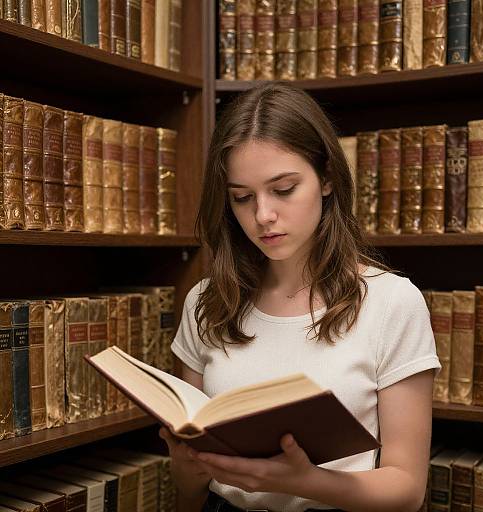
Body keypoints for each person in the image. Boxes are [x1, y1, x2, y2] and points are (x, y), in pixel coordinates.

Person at [159, 82, 441, 512]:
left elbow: (407, 489)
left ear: (326, 179)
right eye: (242, 197)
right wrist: (188, 466)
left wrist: (308, 482)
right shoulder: (206, 302)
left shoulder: (392, 303)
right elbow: (188, 495)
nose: (263, 216)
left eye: (284, 189)